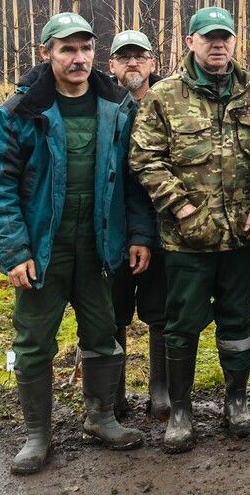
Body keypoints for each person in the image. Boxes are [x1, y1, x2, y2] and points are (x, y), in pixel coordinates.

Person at [0, 13, 150, 474]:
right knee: (34, 342)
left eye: (85, 49)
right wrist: (14, 251)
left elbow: (134, 181)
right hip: (42, 253)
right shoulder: (20, 111)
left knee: (103, 332)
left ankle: (101, 417)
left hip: (98, 248)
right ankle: (37, 434)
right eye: (67, 49)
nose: (78, 59)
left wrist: (136, 235)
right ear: (46, 53)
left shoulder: (116, 106)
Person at [130, 6, 250, 453]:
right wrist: (184, 209)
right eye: (208, 37)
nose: (218, 45)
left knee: (238, 319)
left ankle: (237, 402)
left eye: (225, 37)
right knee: (182, 324)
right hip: (186, 239)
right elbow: (145, 159)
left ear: (234, 42)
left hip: (240, 236)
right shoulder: (164, 97)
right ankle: (181, 411)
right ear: (190, 42)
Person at [105, 30, 169, 419]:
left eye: (140, 56)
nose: (133, 63)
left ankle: (160, 392)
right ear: (111, 65)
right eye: (124, 57)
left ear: (152, 63)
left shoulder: (171, 102)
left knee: (161, 309)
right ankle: (113, 396)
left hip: (163, 226)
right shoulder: (102, 107)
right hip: (111, 228)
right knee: (112, 312)